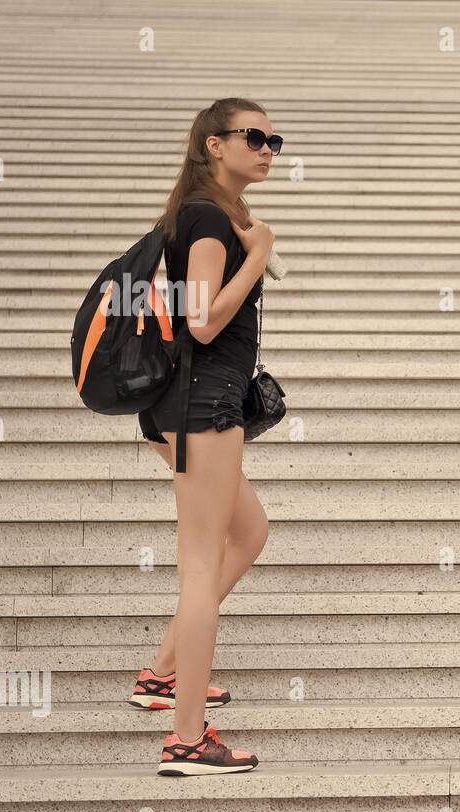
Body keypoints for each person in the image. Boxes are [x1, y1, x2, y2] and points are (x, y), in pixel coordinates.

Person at [134, 97, 279, 775]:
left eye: (274, 138)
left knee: (248, 530)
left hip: (195, 403)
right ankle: (187, 739)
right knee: (199, 568)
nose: (268, 147)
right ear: (214, 145)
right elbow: (200, 320)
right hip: (202, 404)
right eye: (254, 136)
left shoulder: (207, 216)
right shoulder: (207, 218)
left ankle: (165, 673)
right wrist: (260, 256)